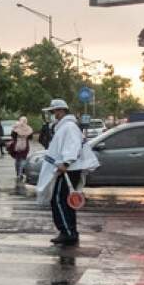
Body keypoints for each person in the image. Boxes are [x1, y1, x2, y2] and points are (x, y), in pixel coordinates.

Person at [36, 99, 98, 246]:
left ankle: (67, 232)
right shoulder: (65, 126)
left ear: (61, 111)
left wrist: (66, 162)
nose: (53, 114)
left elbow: (73, 146)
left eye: (54, 111)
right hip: (68, 169)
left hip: (68, 169)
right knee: (65, 201)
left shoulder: (68, 127)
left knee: (58, 200)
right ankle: (69, 231)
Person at [10, 116, 34, 181]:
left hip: (17, 145)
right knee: (23, 159)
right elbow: (31, 137)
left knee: (17, 159)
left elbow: (12, 135)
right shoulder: (28, 128)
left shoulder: (16, 127)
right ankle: (20, 173)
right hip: (25, 146)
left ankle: (17, 173)